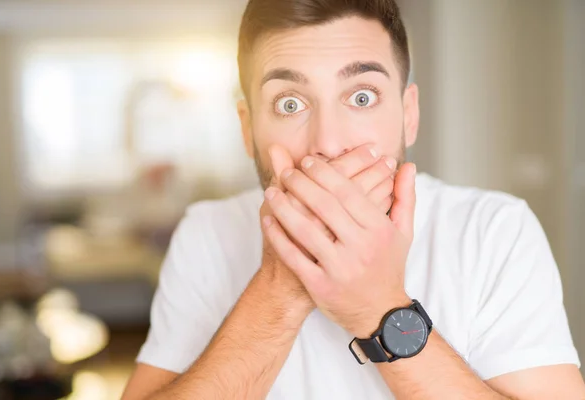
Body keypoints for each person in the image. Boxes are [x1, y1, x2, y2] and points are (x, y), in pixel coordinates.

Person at [122, 0, 585, 398]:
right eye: (289, 103)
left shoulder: (494, 230)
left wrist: (380, 309)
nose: (328, 142)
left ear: (408, 115)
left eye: (362, 97)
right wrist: (281, 289)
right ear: (248, 130)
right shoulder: (207, 233)